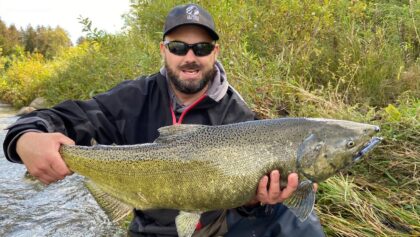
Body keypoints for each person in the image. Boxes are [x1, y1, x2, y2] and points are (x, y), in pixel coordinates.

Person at [3, 3, 325, 237]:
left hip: (212, 226)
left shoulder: (237, 114)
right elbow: (64, 118)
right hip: (146, 226)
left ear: (215, 52)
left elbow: (246, 203)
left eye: (201, 47)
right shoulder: (132, 98)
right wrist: (25, 138)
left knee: (293, 219)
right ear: (163, 50)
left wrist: (258, 202)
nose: (190, 57)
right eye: (178, 46)